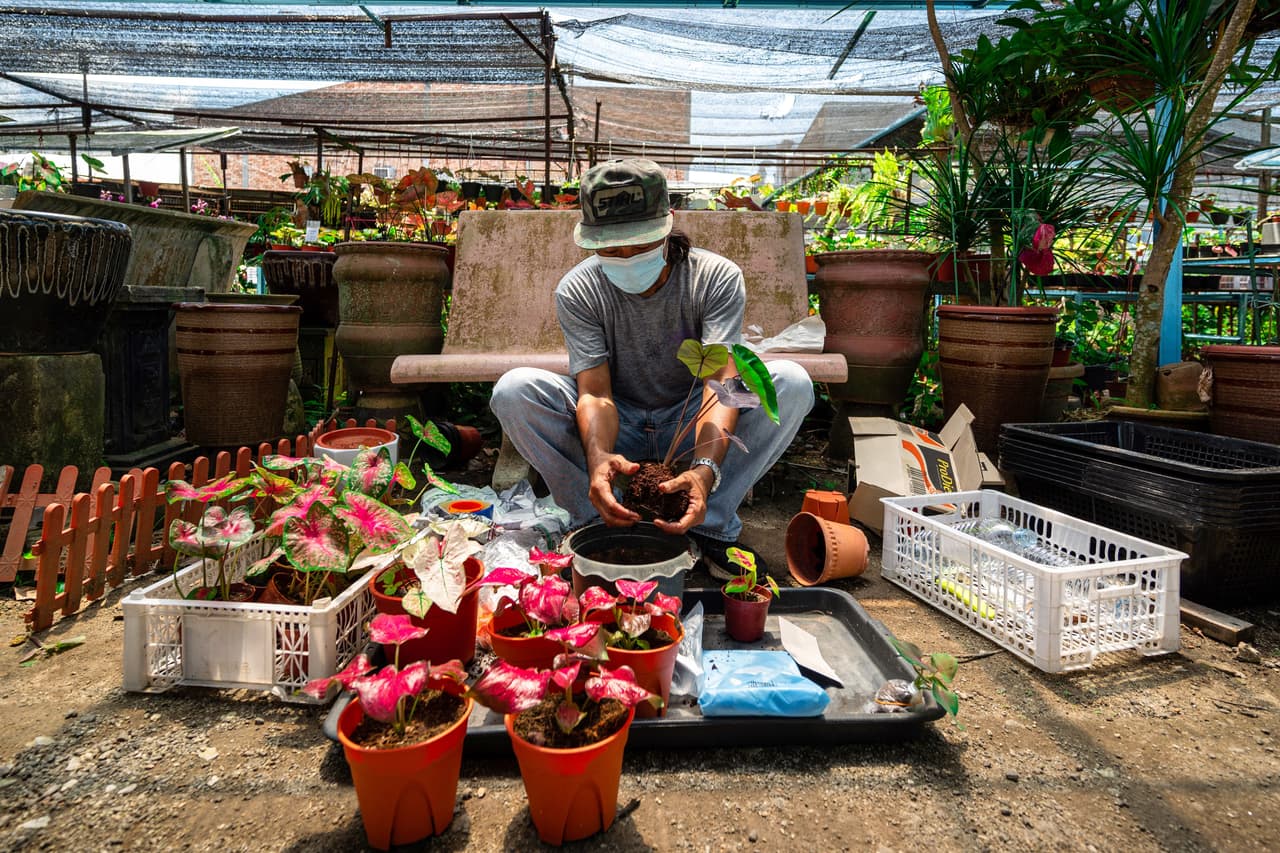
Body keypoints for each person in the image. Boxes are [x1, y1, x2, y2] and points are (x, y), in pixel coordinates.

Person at [490, 158, 814, 578]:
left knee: (792, 383)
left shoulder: (714, 278)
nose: (625, 256)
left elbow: (720, 381)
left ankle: (709, 522)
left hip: (693, 417)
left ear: (668, 224)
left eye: (639, 244)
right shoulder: (579, 289)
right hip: (620, 425)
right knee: (514, 391)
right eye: (610, 247)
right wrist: (599, 457)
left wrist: (704, 470)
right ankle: (598, 517)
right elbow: (594, 392)